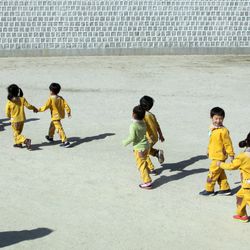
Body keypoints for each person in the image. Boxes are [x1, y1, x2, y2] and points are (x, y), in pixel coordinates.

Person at [199, 107, 234, 196]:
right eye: (216, 118)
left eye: (220, 119)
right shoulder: (212, 128)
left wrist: (231, 155)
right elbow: (211, 141)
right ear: (212, 118)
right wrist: (208, 150)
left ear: (223, 119)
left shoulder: (224, 131)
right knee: (220, 173)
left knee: (212, 173)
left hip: (219, 157)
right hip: (214, 155)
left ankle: (209, 189)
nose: (218, 121)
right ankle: (225, 188)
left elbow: (228, 144)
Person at [217, 133, 250, 222]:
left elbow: (232, 166)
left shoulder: (243, 156)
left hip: (248, 184)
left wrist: (221, 164)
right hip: (245, 185)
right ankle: (242, 215)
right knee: (240, 196)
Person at [123, 105, 152, 189]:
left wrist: (124, 142)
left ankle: (147, 182)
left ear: (133, 114)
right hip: (146, 146)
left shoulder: (133, 125)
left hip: (139, 148)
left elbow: (132, 137)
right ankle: (148, 170)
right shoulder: (143, 122)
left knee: (141, 165)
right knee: (144, 160)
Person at [37, 83, 71, 148]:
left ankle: (65, 141)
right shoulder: (60, 98)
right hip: (60, 115)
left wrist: (38, 110)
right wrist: (68, 112)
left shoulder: (51, 98)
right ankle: (50, 136)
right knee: (52, 125)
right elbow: (66, 105)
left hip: (55, 116)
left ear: (51, 91)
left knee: (59, 128)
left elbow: (45, 106)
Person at [5, 84, 37, 150]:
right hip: (22, 119)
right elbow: (28, 106)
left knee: (16, 134)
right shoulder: (22, 99)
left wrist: (9, 116)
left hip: (14, 120)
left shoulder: (10, 101)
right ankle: (18, 143)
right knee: (18, 132)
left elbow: (7, 112)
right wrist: (34, 108)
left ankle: (26, 140)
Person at [139, 96, 165, 174]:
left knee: (143, 152)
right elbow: (157, 125)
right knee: (147, 150)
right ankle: (157, 153)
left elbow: (142, 127)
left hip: (149, 137)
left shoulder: (143, 116)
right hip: (155, 137)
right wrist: (161, 135)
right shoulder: (152, 115)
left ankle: (151, 168)